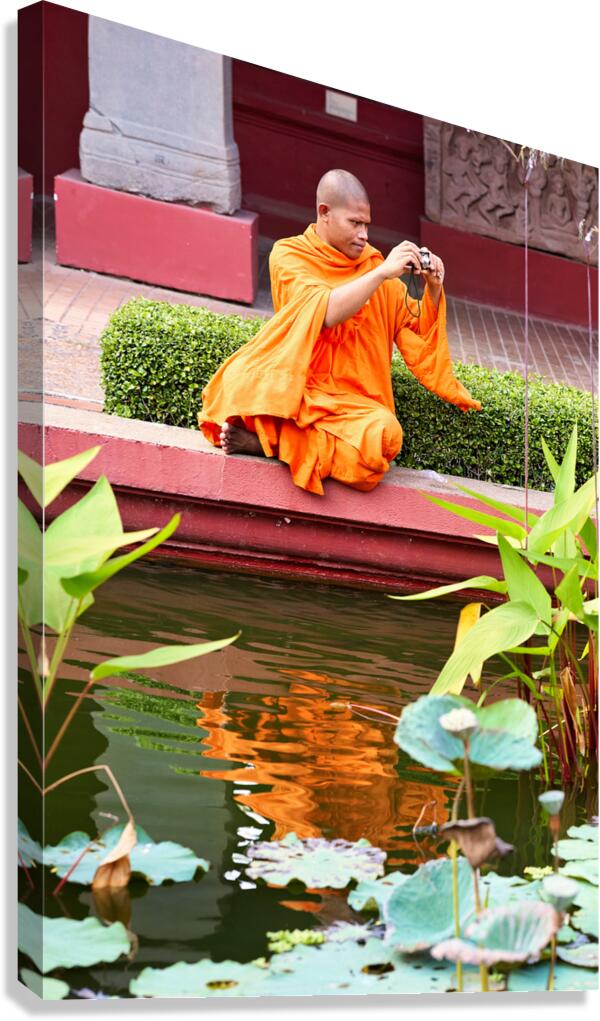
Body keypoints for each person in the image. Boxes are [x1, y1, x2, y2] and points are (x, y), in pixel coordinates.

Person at [198, 169, 481, 495]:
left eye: (367, 225)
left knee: (384, 437)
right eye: (355, 223)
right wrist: (382, 274)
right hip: (304, 389)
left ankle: (273, 444)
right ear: (324, 213)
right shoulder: (289, 254)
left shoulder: (373, 266)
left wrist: (433, 287)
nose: (363, 234)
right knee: (238, 383)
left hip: (355, 405)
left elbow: (416, 330)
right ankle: (284, 440)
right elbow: (325, 311)